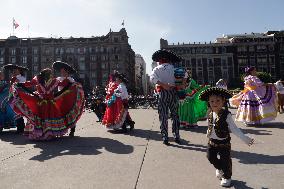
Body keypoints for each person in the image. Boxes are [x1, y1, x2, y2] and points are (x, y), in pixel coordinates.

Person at [199, 87, 254, 187]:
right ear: (208, 102)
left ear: (223, 101)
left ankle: (227, 177)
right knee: (210, 157)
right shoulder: (210, 113)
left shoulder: (226, 115)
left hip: (224, 143)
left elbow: (234, 129)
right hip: (212, 142)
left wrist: (245, 138)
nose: (214, 103)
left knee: (226, 161)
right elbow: (210, 124)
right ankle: (219, 168)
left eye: (218, 101)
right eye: (212, 101)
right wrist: (208, 132)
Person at [11, 68, 85, 140]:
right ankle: (49, 132)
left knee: (40, 117)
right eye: (50, 74)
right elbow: (64, 84)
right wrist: (72, 83)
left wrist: (19, 84)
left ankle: (42, 133)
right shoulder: (54, 80)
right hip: (50, 103)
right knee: (48, 118)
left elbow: (28, 84)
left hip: (40, 102)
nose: (51, 75)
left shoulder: (38, 79)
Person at [150, 49, 181, 145]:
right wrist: (181, 84)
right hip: (173, 92)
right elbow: (185, 77)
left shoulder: (156, 69)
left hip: (162, 93)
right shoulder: (174, 68)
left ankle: (165, 137)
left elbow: (152, 79)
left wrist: (162, 84)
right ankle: (176, 135)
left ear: (160, 60)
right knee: (175, 115)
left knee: (163, 115)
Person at [52, 61, 83, 137]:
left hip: (69, 99)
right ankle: (61, 130)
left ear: (67, 71)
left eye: (63, 71)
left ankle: (72, 131)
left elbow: (74, 88)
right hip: (60, 99)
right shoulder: (58, 79)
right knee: (60, 115)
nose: (62, 72)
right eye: (61, 71)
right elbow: (52, 85)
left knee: (71, 114)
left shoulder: (71, 79)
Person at [3, 64, 28, 134]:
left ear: (19, 71)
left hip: (19, 97)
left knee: (19, 112)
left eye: (16, 70)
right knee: (15, 112)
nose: (14, 72)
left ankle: (21, 128)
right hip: (13, 97)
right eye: (13, 71)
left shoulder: (22, 78)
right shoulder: (13, 78)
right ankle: (19, 127)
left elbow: (21, 86)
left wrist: (15, 81)